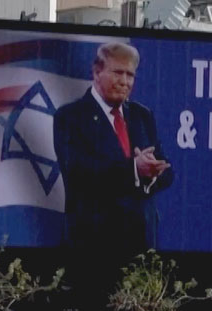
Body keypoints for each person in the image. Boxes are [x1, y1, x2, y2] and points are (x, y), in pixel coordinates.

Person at [53, 42, 173, 290]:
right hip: (93, 253)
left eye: (130, 75)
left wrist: (151, 172)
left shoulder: (142, 116)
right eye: (118, 73)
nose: (125, 81)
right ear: (96, 72)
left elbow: (168, 172)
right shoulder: (70, 117)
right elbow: (80, 173)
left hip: (141, 253)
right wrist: (134, 170)